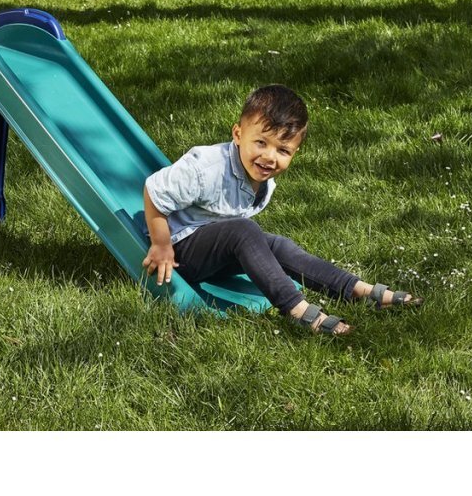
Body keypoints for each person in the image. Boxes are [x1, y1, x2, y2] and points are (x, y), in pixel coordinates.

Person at [142, 84, 423, 335]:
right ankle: (296, 309)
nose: (269, 157)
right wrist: (161, 245)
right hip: (178, 254)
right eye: (260, 143)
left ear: (294, 152)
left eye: (283, 150)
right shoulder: (206, 167)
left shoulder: (263, 181)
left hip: (216, 250)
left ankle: (357, 290)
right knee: (244, 231)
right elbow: (154, 192)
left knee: (277, 245)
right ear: (238, 134)